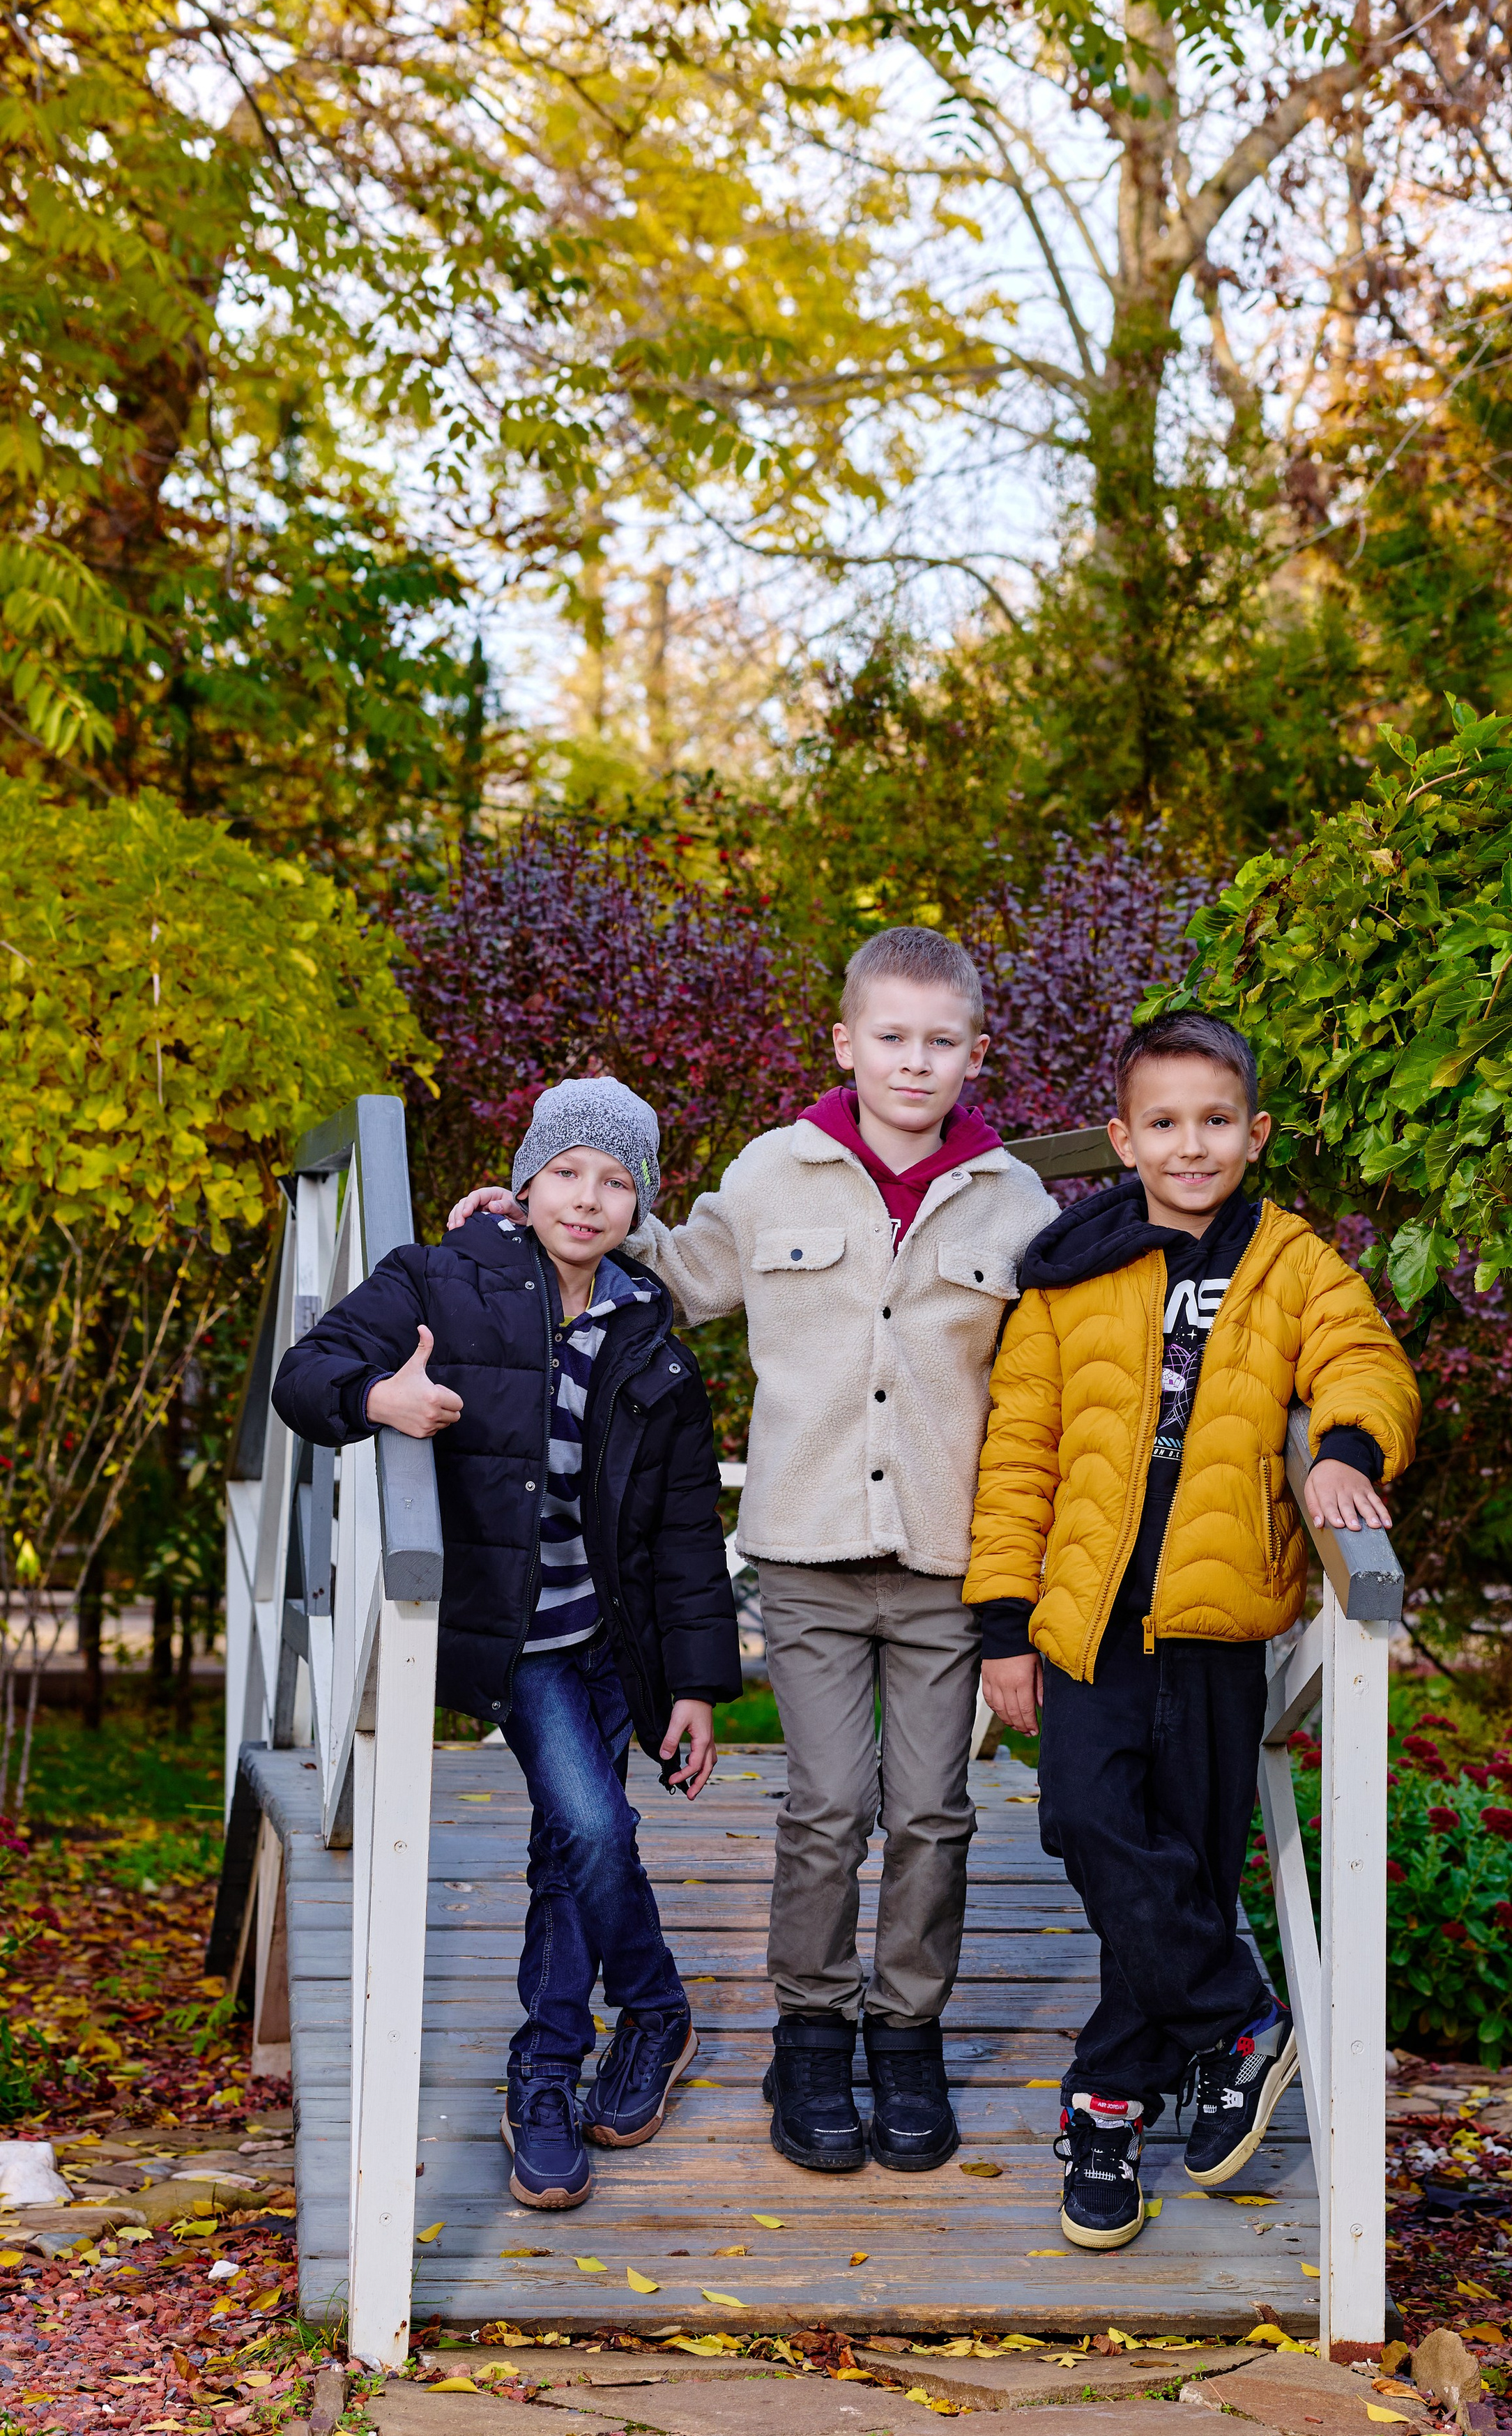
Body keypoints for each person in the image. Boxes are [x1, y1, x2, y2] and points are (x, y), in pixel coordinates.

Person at [448, 929, 1055, 2175]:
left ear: (976, 1055)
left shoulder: (1017, 1202)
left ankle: (907, 2034)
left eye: (940, 1042)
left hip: (948, 1561)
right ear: (845, 1043)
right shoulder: (775, 1171)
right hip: (807, 1554)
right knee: (828, 1805)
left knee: (932, 1812)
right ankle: (813, 2034)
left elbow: (1063, 1356)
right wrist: (529, 1221)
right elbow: (666, 1268)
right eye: (890, 1037)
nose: (913, 1062)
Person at [968, 1010, 1420, 2249]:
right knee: (1086, 1819)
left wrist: (1345, 1450)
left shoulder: (1292, 1262)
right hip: (1088, 1622)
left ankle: (1109, 2107)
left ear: (1254, 1133)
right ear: (1123, 1139)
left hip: (1220, 1626)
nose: (1191, 1145)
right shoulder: (1069, 1276)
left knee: (1190, 1860)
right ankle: (1239, 2018)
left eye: (1216, 1121)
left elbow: (1366, 1359)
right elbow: (1018, 1457)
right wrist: (1004, 1625)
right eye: (1163, 1123)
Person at [273, 1079, 740, 2212]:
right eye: (566, 1172)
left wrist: (695, 1683)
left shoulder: (647, 1331)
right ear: (525, 1181)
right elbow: (302, 1377)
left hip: (617, 1638)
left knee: (568, 1854)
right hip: (527, 1639)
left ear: (642, 1204)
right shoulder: (442, 1280)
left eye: (617, 1181)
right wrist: (381, 1400)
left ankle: (548, 2070)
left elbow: (685, 1526)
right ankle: (653, 2006)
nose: (588, 1199)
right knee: (593, 1827)